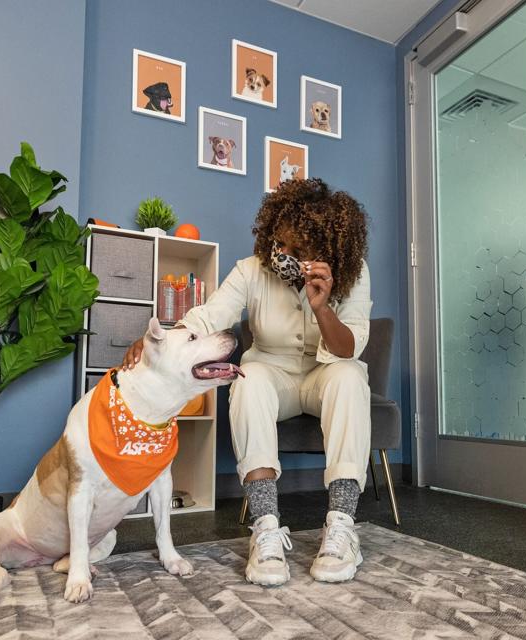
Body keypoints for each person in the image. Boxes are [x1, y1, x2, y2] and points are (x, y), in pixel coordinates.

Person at [122, 178, 372, 585]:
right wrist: (156, 341)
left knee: (349, 377)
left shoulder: (353, 273)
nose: (284, 254)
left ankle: (342, 527)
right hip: (274, 376)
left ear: (325, 247)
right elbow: (209, 316)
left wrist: (323, 307)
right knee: (248, 378)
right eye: (281, 242)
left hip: (327, 374)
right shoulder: (252, 270)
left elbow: (348, 349)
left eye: (297, 249)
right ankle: (266, 527)